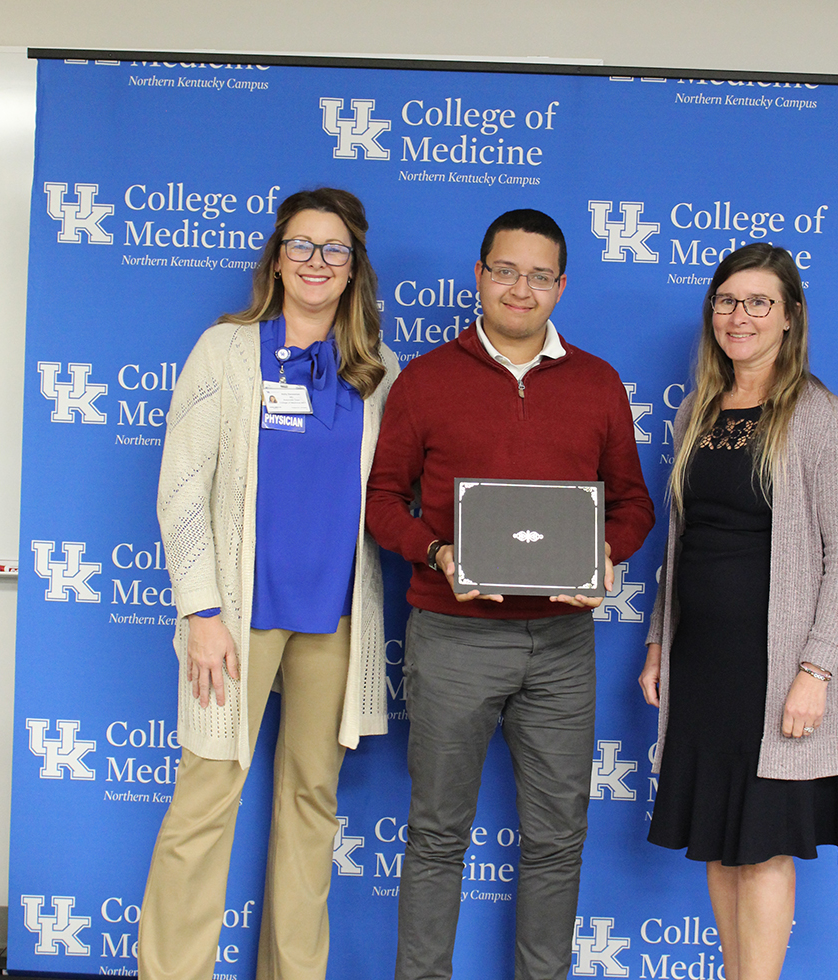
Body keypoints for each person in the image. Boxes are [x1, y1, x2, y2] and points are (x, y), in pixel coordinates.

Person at [366, 208, 655, 980]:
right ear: (479, 276)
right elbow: (382, 501)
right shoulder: (426, 379)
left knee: (558, 838)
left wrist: (603, 557)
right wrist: (436, 551)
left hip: (561, 648)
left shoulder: (596, 382)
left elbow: (634, 505)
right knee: (436, 834)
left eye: (538, 275)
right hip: (452, 638)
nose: (519, 288)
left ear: (561, 286)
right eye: (505, 270)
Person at [137, 188, 399, 980]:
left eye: (334, 251)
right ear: (277, 259)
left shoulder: (382, 373)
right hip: (236, 619)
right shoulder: (225, 350)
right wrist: (202, 610)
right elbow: (181, 486)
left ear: (354, 270)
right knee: (206, 800)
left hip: (335, 621)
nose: (316, 263)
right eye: (302, 246)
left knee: (311, 805)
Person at [639, 243, 838, 980]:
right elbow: (680, 545)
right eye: (727, 301)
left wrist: (816, 668)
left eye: (758, 302)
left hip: (777, 671)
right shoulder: (697, 410)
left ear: (791, 319)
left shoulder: (819, 415)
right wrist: (656, 645)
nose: (739, 316)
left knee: (764, 845)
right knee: (720, 839)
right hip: (703, 664)